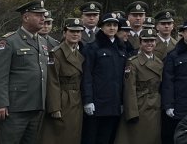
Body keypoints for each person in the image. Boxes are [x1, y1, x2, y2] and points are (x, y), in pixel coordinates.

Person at [0, 0, 51, 144]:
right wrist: (0, 103)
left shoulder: (43, 42)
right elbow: (0, 75)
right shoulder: (9, 41)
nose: (43, 18)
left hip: (36, 107)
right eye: (38, 15)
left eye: (43, 15)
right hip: (15, 109)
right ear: (25, 17)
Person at [82, 11, 129, 144]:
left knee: (108, 138)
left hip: (114, 103)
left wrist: (121, 101)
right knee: (91, 138)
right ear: (102, 27)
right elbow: (87, 76)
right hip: (97, 103)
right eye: (108, 25)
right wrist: (88, 100)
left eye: (115, 25)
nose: (112, 28)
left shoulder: (121, 49)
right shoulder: (92, 48)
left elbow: (122, 79)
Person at [42, 18, 85, 144]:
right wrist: (55, 108)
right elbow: (52, 81)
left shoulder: (79, 53)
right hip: (63, 99)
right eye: (72, 31)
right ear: (65, 33)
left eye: (78, 31)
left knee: (74, 134)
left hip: (76, 98)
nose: (75, 34)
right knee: (61, 135)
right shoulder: (56, 53)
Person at [121, 28, 165, 144]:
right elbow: (129, 89)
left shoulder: (159, 62)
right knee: (138, 137)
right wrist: (132, 113)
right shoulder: (133, 62)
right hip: (140, 105)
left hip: (155, 104)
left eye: (152, 40)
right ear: (140, 43)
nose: (149, 44)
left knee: (153, 137)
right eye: (146, 41)